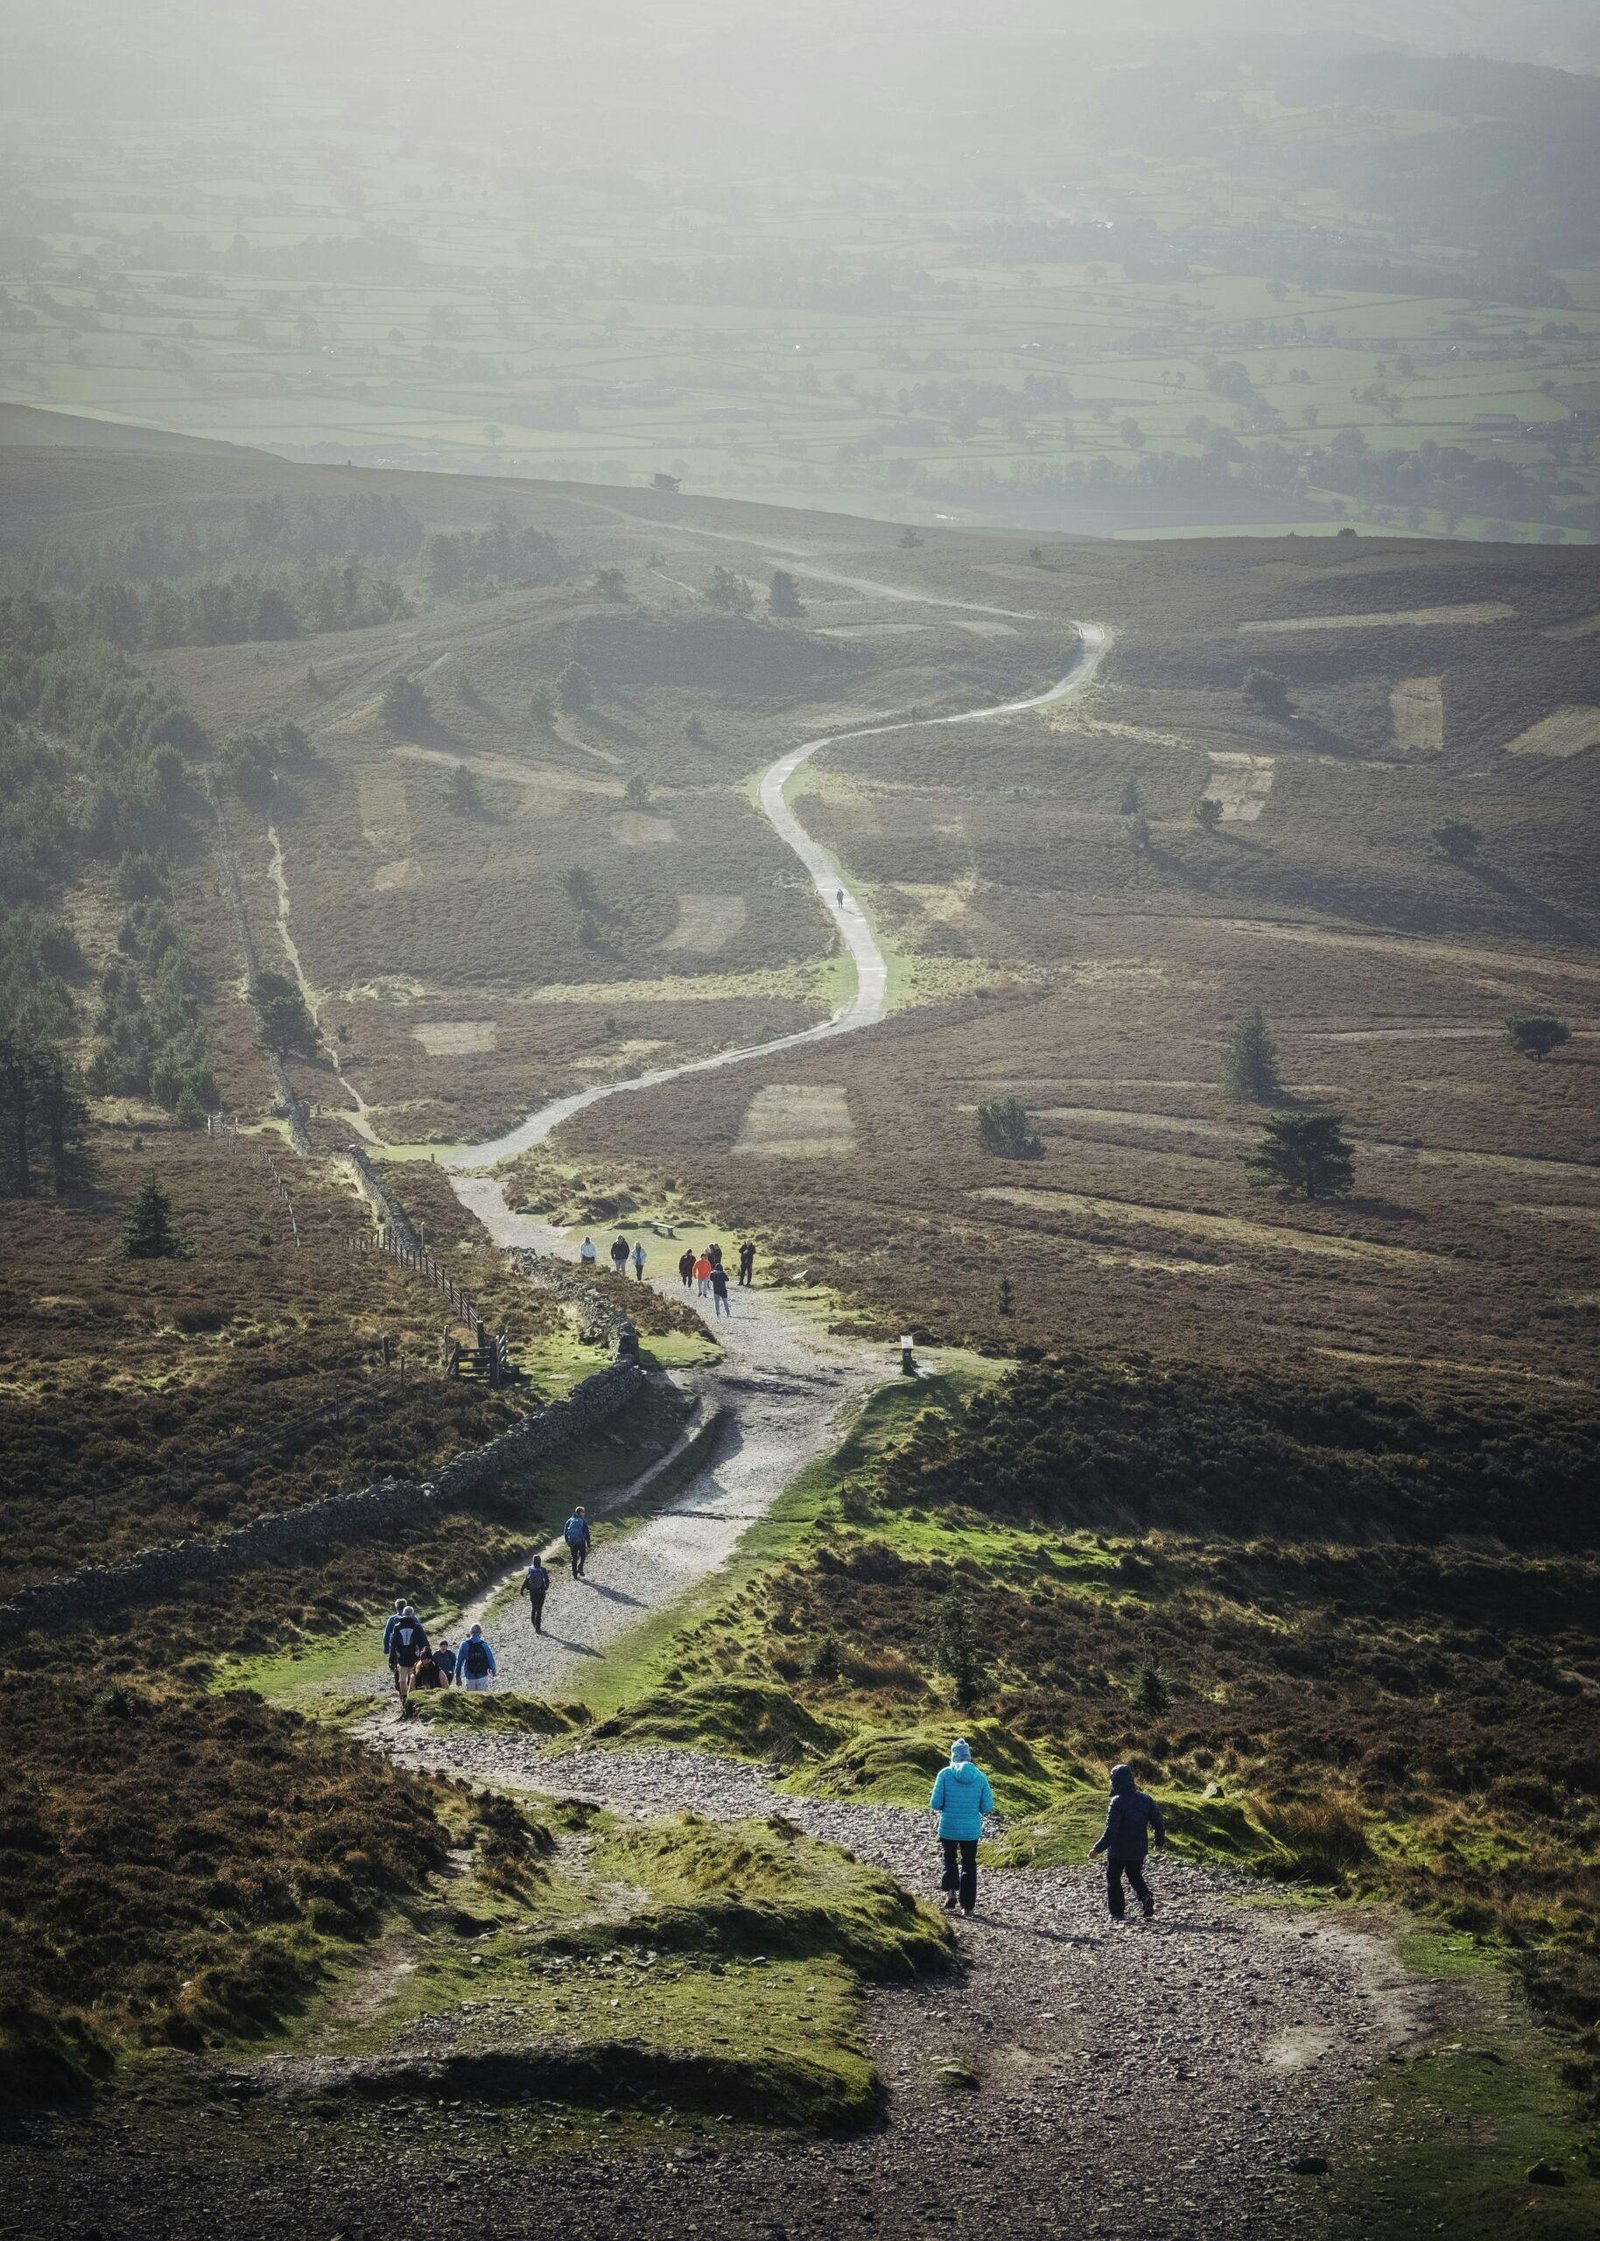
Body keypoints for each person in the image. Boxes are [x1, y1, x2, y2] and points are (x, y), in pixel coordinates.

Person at [1089, 1763, 1167, 1924]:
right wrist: (1159, 1842)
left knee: (1113, 1878)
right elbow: (1158, 1823)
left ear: (1115, 1781)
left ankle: (1117, 1912)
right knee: (1134, 1874)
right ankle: (1145, 1897)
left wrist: (1097, 1849)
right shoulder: (1146, 1799)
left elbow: (1111, 1831)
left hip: (1118, 1850)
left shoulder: (1117, 1802)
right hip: (1139, 1848)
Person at [929, 1738, 994, 1918]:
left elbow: (935, 1803)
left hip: (948, 1827)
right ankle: (968, 1907)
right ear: (969, 1756)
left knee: (949, 1858)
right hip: (970, 1830)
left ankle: (951, 1891)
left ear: (953, 1756)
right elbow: (986, 1807)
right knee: (968, 1864)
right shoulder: (980, 1777)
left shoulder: (944, 1774)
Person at [388, 1605, 429, 1701]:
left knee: (402, 1680)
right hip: (415, 1658)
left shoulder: (397, 1626)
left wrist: (391, 1659)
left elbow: (393, 1644)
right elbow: (424, 1643)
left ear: (403, 1614)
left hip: (401, 1658)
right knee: (413, 1679)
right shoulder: (417, 1626)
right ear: (412, 1614)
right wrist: (426, 1656)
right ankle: (412, 1699)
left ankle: (404, 1698)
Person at [455, 1624, 496, 1692]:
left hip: (469, 1676)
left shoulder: (464, 1644)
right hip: (482, 1675)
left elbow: (459, 1662)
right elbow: (491, 1660)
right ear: (480, 1632)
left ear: (470, 1632)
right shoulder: (484, 1645)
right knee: (482, 1698)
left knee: (471, 1699)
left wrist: (457, 1676)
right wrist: (493, 1671)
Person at [521, 1555, 551, 1633]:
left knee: (534, 1607)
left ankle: (533, 1622)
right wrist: (546, 1587)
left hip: (532, 1591)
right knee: (539, 1609)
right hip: (541, 1591)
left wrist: (522, 1589)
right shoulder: (543, 1569)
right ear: (540, 1561)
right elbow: (547, 1580)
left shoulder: (530, 1569)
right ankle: (538, 1627)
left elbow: (526, 1580)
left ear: (533, 1561)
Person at [564, 1505, 592, 1579]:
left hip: (572, 1541)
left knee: (574, 1558)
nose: (584, 1514)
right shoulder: (583, 1521)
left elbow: (565, 1531)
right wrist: (588, 1543)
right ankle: (580, 1567)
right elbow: (587, 1533)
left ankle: (574, 1574)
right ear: (580, 1513)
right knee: (583, 1555)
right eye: (583, 1512)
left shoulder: (569, 1520)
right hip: (581, 1541)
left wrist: (567, 1541)